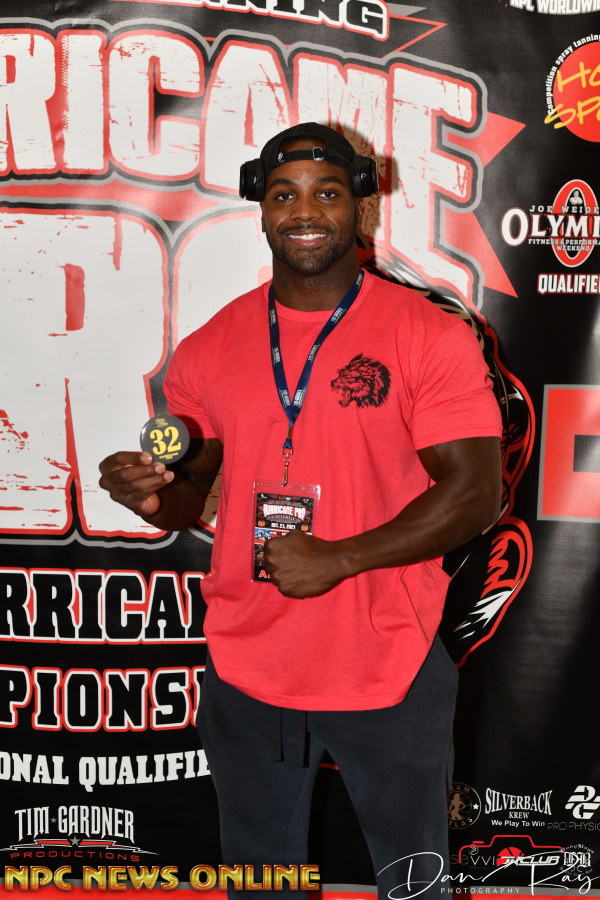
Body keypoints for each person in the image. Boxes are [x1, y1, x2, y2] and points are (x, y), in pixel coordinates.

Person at [99, 122, 503, 898]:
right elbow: (188, 491)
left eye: (327, 192)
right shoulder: (211, 346)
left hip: (385, 656)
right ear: (261, 208)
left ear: (360, 203)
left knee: (412, 881)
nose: (305, 212)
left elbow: (475, 492)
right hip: (250, 663)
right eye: (284, 195)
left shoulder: (429, 335)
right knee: (261, 878)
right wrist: (148, 494)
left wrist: (340, 557)